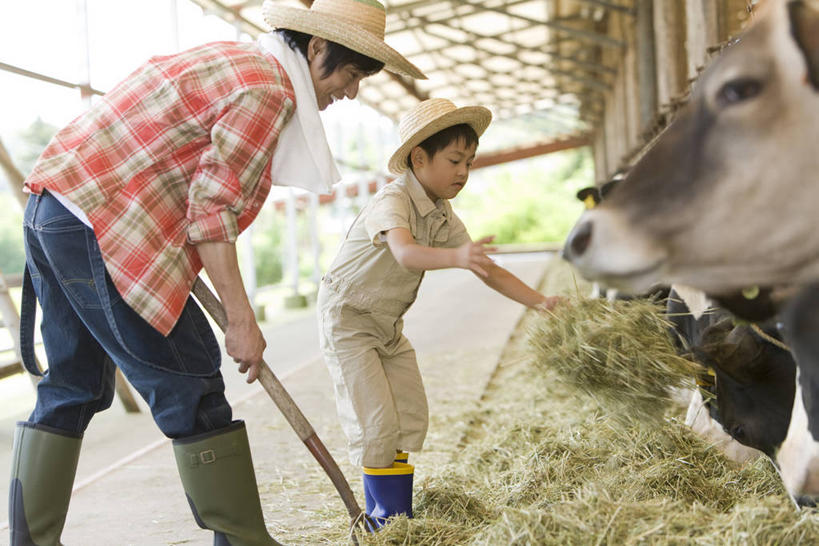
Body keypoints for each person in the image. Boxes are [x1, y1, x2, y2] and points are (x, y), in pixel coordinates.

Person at [9, 1, 424, 544]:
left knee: (72, 385)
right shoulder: (269, 91)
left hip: (56, 206)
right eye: (350, 73)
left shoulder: (236, 61)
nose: (351, 91)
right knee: (193, 381)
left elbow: (180, 176)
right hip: (102, 224)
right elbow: (211, 213)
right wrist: (241, 320)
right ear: (316, 48)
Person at [317, 98, 562, 528]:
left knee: (410, 415)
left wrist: (541, 302)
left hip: (388, 326)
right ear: (419, 158)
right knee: (377, 423)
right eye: (454, 160)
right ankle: (383, 522)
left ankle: (398, 517)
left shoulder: (441, 214)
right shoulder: (392, 202)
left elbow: (487, 269)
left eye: (469, 161)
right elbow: (406, 253)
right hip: (349, 321)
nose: (463, 172)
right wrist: (458, 257)